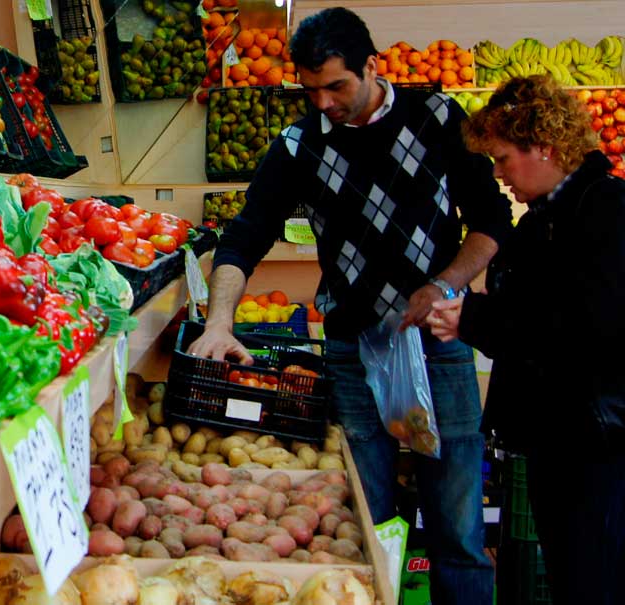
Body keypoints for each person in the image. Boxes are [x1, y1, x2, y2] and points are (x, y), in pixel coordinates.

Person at [187, 7, 511, 604]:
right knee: (366, 517)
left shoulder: (437, 116)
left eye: (337, 86)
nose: (323, 104)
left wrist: (443, 285)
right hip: (352, 352)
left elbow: (490, 223)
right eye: (311, 91)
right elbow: (244, 236)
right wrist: (220, 321)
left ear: (371, 66)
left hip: (440, 342)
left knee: (458, 524)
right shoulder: (298, 145)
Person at [428, 75, 625, 605]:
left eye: (502, 158)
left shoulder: (605, 211)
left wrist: (475, 320)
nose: (498, 174)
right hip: (563, 437)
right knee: (573, 576)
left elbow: (586, 330)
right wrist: (475, 317)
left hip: (598, 443)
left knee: (593, 580)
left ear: (544, 147)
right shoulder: (551, 217)